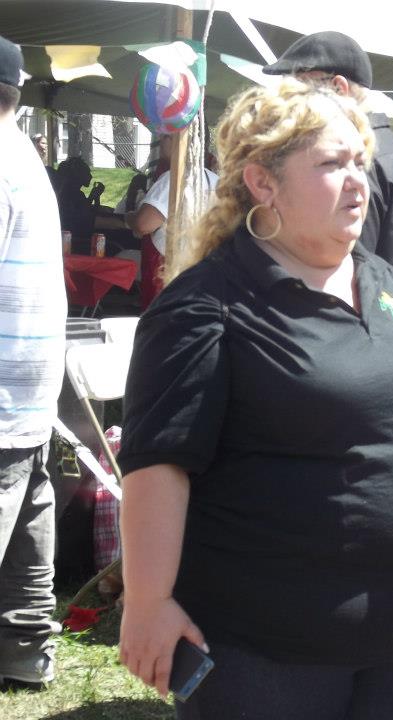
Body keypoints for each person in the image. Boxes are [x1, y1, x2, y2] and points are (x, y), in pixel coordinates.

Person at [116, 80, 393, 720]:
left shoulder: (382, 278)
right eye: (331, 164)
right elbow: (159, 465)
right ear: (262, 183)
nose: (358, 182)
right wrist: (148, 601)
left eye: (360, 161)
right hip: (269, 652)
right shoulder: (207, 306)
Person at [263, 31, 393, 321]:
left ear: (338, 88)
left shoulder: (360, 165)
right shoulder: (389, 152)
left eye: (299, 91)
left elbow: (343, 274)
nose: (292, 106)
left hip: (378, 336)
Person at [0, 34, 66, 687]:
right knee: (29, 513)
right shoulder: (22, 154)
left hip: (3, 384)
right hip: (30, 380)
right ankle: (24, 655)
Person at [124, 156, 218, 310]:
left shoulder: (175, 178)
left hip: (168, 271)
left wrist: (130, 216)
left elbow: (144, 224)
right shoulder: (216, 181)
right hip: (204, 272)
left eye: (165, 138)